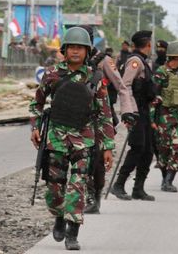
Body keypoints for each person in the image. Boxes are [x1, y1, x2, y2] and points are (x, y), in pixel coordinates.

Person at [29, 27, 115, 250]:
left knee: (78, 186)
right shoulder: (52, 75)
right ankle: (59, 216)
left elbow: (105, 113)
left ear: (87, 51)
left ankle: (73, 232)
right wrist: (35, 127)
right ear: (65, 50)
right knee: (55, 189)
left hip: (84, 139)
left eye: (80, 48)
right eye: (72, 48)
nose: (76, 52)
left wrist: (107, 147)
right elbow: (37, 104)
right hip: (56, 138)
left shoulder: (96, 78)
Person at [76, 26, 137, 214]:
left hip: (100, 118)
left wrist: (128, 111)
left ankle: (95, 197)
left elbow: (122, 87)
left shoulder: (103, 62)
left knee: (97, 161)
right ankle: (77, 197)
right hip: (75, 118)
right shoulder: (70, 61)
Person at [110, 30, 156, 201]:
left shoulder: (143, 61)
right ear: (148, 45)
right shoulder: (135, 62)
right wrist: (129, 111)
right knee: (137, 147)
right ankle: (119, 184)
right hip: (136, 111)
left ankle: (138, 188)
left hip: (144, 110)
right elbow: (125, 86)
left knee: (148, 150)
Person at [150, 41, 178, 192]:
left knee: (177, 147)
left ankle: (169, 180)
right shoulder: (162, 72)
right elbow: (153, 96)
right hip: (164, 116)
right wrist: (152, 119)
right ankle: (164, 177)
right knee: (164, 148)